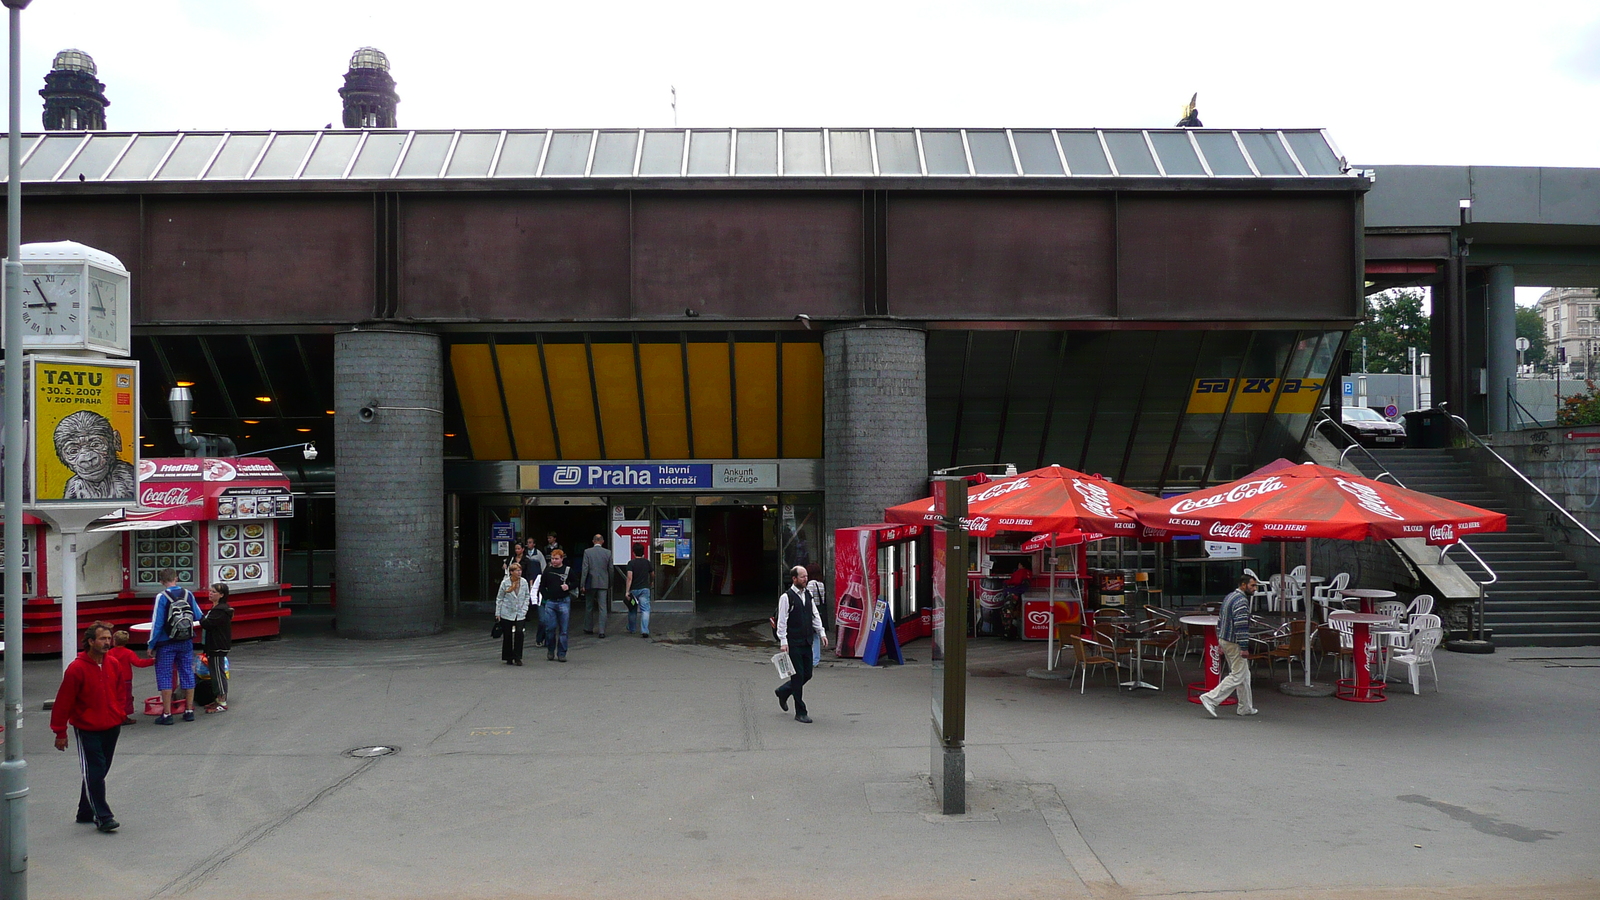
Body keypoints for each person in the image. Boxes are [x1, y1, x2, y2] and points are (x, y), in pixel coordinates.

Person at [51, 621, 125, 832]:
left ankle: (85, 811)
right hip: (87, 729)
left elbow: (120, 690)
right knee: (95, 770)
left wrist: (120, 712)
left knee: (100, 770)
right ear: (90, 641)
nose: (107, 642)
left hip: (112, 725)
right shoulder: (76, 669)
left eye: (109, 639)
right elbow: (63, 701)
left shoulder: (114, 663)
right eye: (102, 639)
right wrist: (60, 731)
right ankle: (103, 816)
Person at [775, 566, 830, 724]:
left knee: (808, 674)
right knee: (798, 676)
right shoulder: (787, 597)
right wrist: (783, 641)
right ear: (794, 579)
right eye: (802, 577)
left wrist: (822, 633)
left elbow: (814, 615)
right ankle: (800, 711)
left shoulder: (808, 594)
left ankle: (784, 690)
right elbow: (782, 621)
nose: (805, 579)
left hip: (807, 640)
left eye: (806, 576)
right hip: (794, 642)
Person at [1200, 574, 1260, 718]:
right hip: (1234, 642)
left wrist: (1220, 640)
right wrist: (1244, 647)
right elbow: (1241, 626)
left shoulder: (1230, 597)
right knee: (1238, 675)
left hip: (1225, 639)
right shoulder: (1241, 601)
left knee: (1244, 675)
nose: (1255, 589)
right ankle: (1210, 698)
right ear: (1243, 585)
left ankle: (1245, 707)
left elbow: (1221, 620)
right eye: (1252, 586)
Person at [149, 568, 204, 725]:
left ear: (161, 581)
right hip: (186, 640)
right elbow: (199, 615)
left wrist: (151, 644)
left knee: (165, 675)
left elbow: (157, 623)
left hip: (166, 643)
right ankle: (189, 710)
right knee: (187, 672)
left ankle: (167, 714)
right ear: (176, 578)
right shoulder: (188, 594)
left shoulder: (162, 597)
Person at [53, 410, 137, 500]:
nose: (87, 458)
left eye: (96, 444)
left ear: (115, 441)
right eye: (73, 451)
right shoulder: (74, 486)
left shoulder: (130, 477)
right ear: (62, 457)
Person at [106, 630, 154, 726]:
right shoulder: (128, 652)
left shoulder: (109, 653)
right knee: (126, 699)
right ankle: (123, 717)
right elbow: (138, 663)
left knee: (113, 697)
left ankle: (114, 716)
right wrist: (152, 661)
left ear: (114, 641)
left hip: (112, 679)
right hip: (126, 680)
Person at [202, 583, 235, 712]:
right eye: (210, 591)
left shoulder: (220, 611)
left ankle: (222, 701)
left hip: (217, 646)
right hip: (213, 645)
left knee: (218, 673)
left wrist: (199, 616)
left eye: (214, 592)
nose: (210, 593)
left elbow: (207, 623)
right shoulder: (216, 609)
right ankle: (217, 699)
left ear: (222, 595)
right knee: (214, 672)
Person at [539, 550, 574, 662]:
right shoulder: (548, 571)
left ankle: (562, 653)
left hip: (564, 601)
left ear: (561, 559)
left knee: (563, 629)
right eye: (552, 559)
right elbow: (542, 586)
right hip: (551, 602)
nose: (554, 561)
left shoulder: (567, 570)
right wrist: (546, 596)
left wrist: (568, 587)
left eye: (556, 559)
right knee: (550, 628)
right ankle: (550, 649)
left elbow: (576, 582)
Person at [496, 562, 533, 665]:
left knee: (519, 633)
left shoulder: (524, 582)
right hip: (507, 611)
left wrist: (525, 609)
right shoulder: (505, 583)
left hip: (520, 612)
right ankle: (508, 657)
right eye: (517, 570)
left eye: (520, 570)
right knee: (507, 635)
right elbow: (500, 598)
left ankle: (518, 657)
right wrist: (497, 613)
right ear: (511, 572)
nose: (519, 572)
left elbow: (527, 596)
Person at [580, 534, 613, 637]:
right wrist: (610, 582)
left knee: (589, 606)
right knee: (603, 607)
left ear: (593, 541)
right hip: (603, 583)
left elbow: (585, 569)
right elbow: (610, 569)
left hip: (591, 582)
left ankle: (588, 628)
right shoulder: (608, 553)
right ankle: (602, 631)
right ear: (602, 541)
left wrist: (582, 584)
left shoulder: (587, 552)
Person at [624, 543, 654, 638]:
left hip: (634, 590)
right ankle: (644, 630)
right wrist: (651, 582)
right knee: (645, 610)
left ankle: (632, 629)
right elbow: (652, 574)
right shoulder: (647, 562)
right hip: (644, 589)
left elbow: (629, 577)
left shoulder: (631, 563)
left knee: (632, 609)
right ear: (643, 552)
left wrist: (627, 591)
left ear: (633, 552)